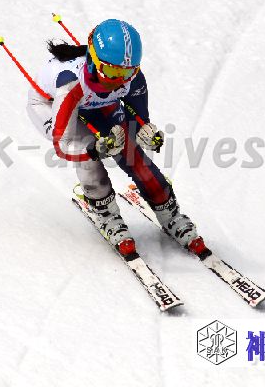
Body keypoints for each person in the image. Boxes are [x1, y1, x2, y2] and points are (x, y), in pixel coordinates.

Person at [27, 19, 206, 257]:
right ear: (93, 61)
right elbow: (63, 144)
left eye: (127, 72)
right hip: (51, 105)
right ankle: (106, 214)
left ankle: (171, 214)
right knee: (87, 154)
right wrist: (94, 151)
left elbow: (138, 119)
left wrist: (144, 132)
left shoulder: (132, 79)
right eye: (112, 71)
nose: (118, 81)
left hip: (94, 103)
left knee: (134, 156)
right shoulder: (70, 84)